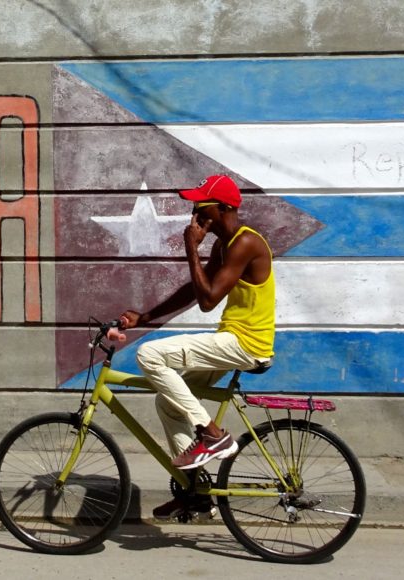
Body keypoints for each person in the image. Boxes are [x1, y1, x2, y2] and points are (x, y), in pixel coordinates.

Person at [118, 174, 276, 519]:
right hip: (231, 340)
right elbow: (194, 290)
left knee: (149, 354)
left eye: (200, 205)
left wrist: (191, 245)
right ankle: (195, 492)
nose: (194, 212)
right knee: (168, 403)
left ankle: (212, 434)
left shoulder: (245, 243)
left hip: (245, 343)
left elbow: (207, 300)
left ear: (222, 208)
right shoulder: (224, 245)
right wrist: (146, 316)